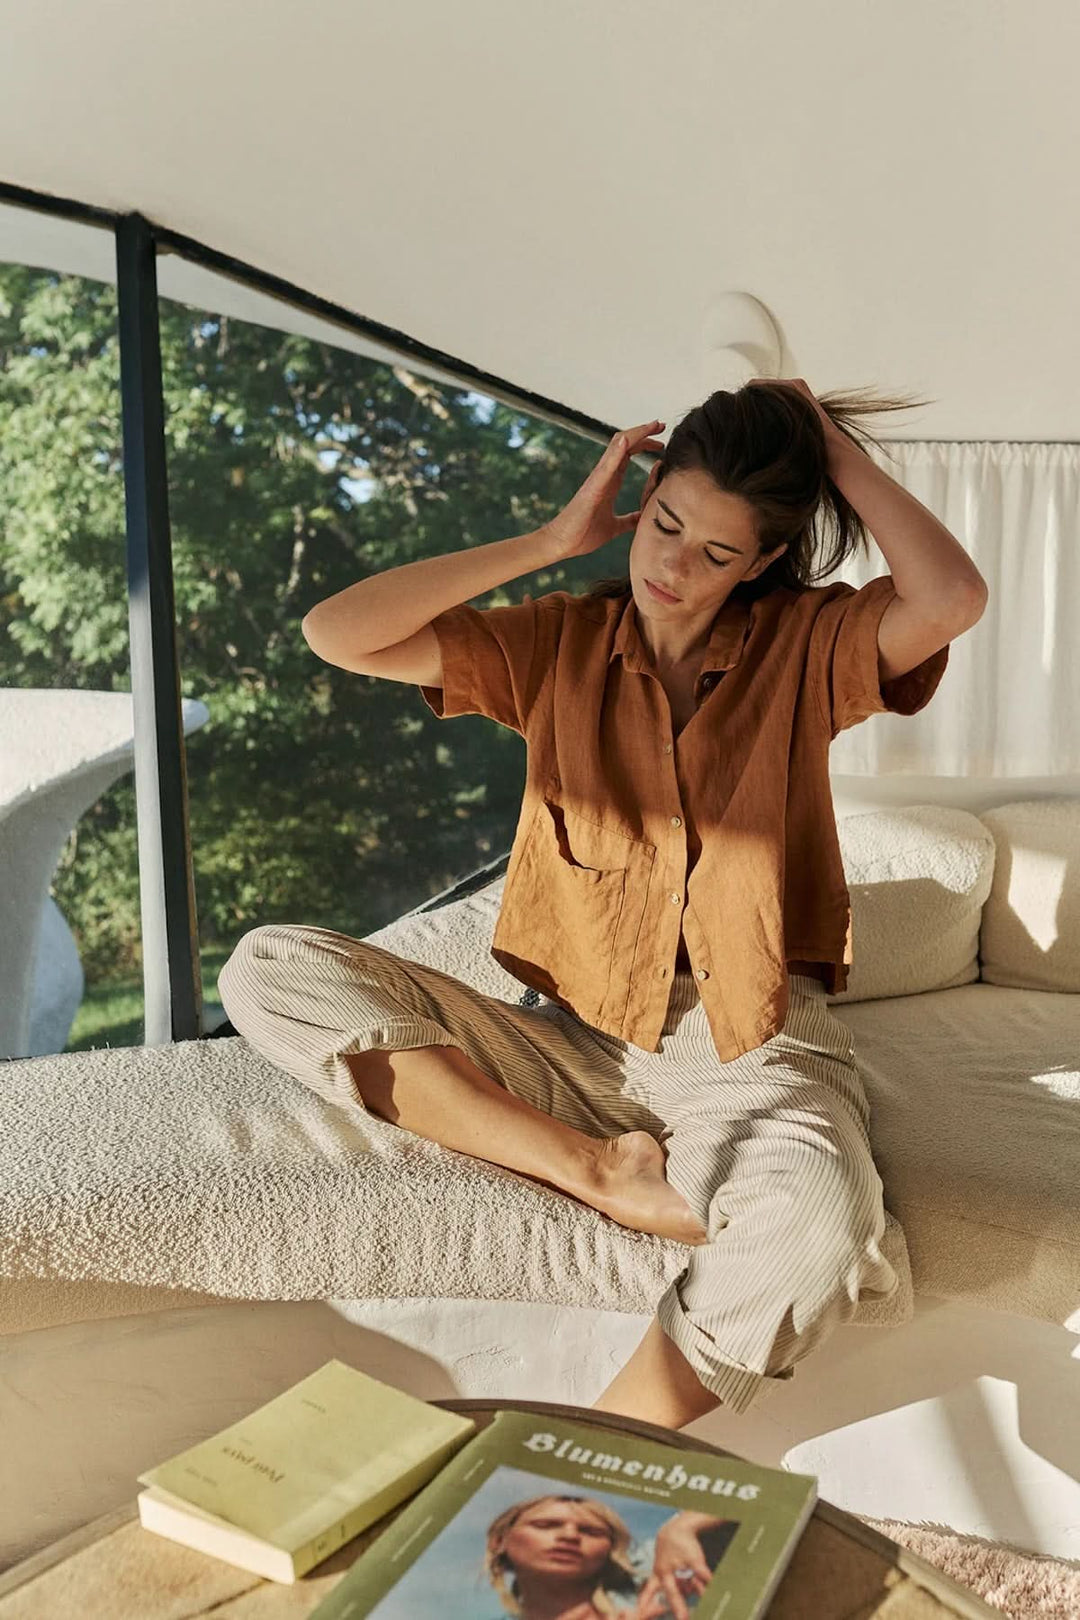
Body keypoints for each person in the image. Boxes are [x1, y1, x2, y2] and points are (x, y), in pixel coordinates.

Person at [218, 379, 987, 1430]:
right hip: (566, 1040)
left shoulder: (806, 649)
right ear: (647, 494)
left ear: (762, 560)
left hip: (747, 1049)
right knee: (267, 966)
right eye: (665, 524)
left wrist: (827, 448)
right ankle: (593, 1171)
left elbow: (948, 600)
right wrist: (549, 538)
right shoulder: (558, 644)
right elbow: (336, 632)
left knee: (818, 1223)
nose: (672, 567)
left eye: (717, 553)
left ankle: (582, 1444)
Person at [481, 1494, 734, 1620]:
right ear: (500, 1541)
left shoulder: (650, 1572)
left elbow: (753, 1491)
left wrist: (681, 1527)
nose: (570, 1535)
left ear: (609, 1547)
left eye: (590, 1531)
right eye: (546, 1525)